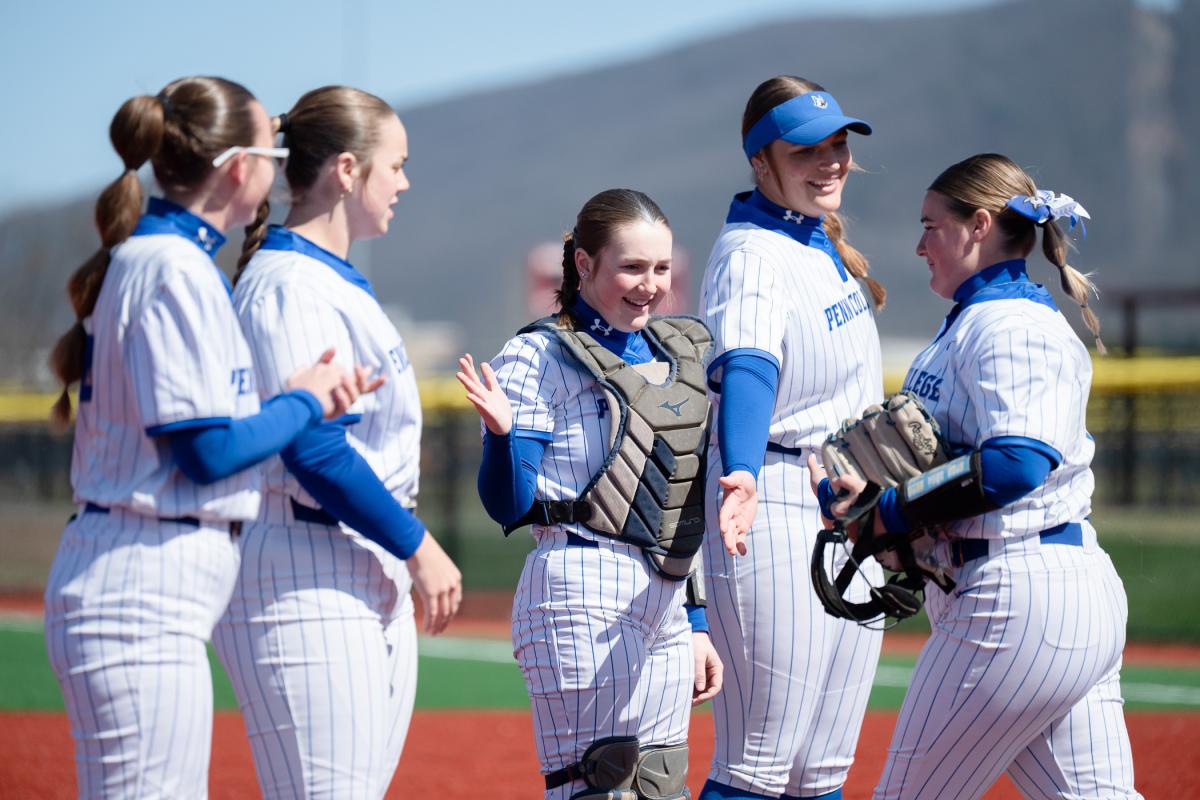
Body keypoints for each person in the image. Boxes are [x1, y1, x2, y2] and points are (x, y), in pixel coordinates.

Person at [43, 76, 369, 798]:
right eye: (271, 151)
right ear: (234, 168)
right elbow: (206, 452)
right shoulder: (173, 267)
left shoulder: (163, 257)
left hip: (143, 572)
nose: (278, 167)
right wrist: (306, 402)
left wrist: (287, 399)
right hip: (140, 576)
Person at [816, 153, 1141, 799]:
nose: (919, 244)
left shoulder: (1011, 324)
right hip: (1039, 588)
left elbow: (1016, 463)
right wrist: (874, 493)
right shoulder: (977, 319)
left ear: (979, 225)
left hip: (1014, 595)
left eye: (931, 225)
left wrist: (892, 513)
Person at [214, 85, 463, 799]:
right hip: (302, 562)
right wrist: (419, 544)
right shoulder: (287, 284)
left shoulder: (331, 282)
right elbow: (313, 449)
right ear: (347, 171)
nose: (405, 181)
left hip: (352, 557)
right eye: (397, 164)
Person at [456, 188, 723, 800]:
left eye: (659, 268)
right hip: (580, 585)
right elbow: (507, 504)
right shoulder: (536, 356)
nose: (649, 285)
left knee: (660, 785)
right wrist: (502, 436)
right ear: (583, 265)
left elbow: (682, 499)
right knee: (600, 786)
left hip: (667, 594)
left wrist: (699, 620)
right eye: (631, 267)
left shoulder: (677, 355)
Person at [697, 76, 888, 800]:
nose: (830, 159)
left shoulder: (815, 244)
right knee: (758, 764)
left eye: (837, 143)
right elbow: (748, 364)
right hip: (775, 504)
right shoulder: (751, 251)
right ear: (760, 161)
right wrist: (741, 472)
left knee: (823, 772)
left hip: (846, 509)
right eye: (805, 148)